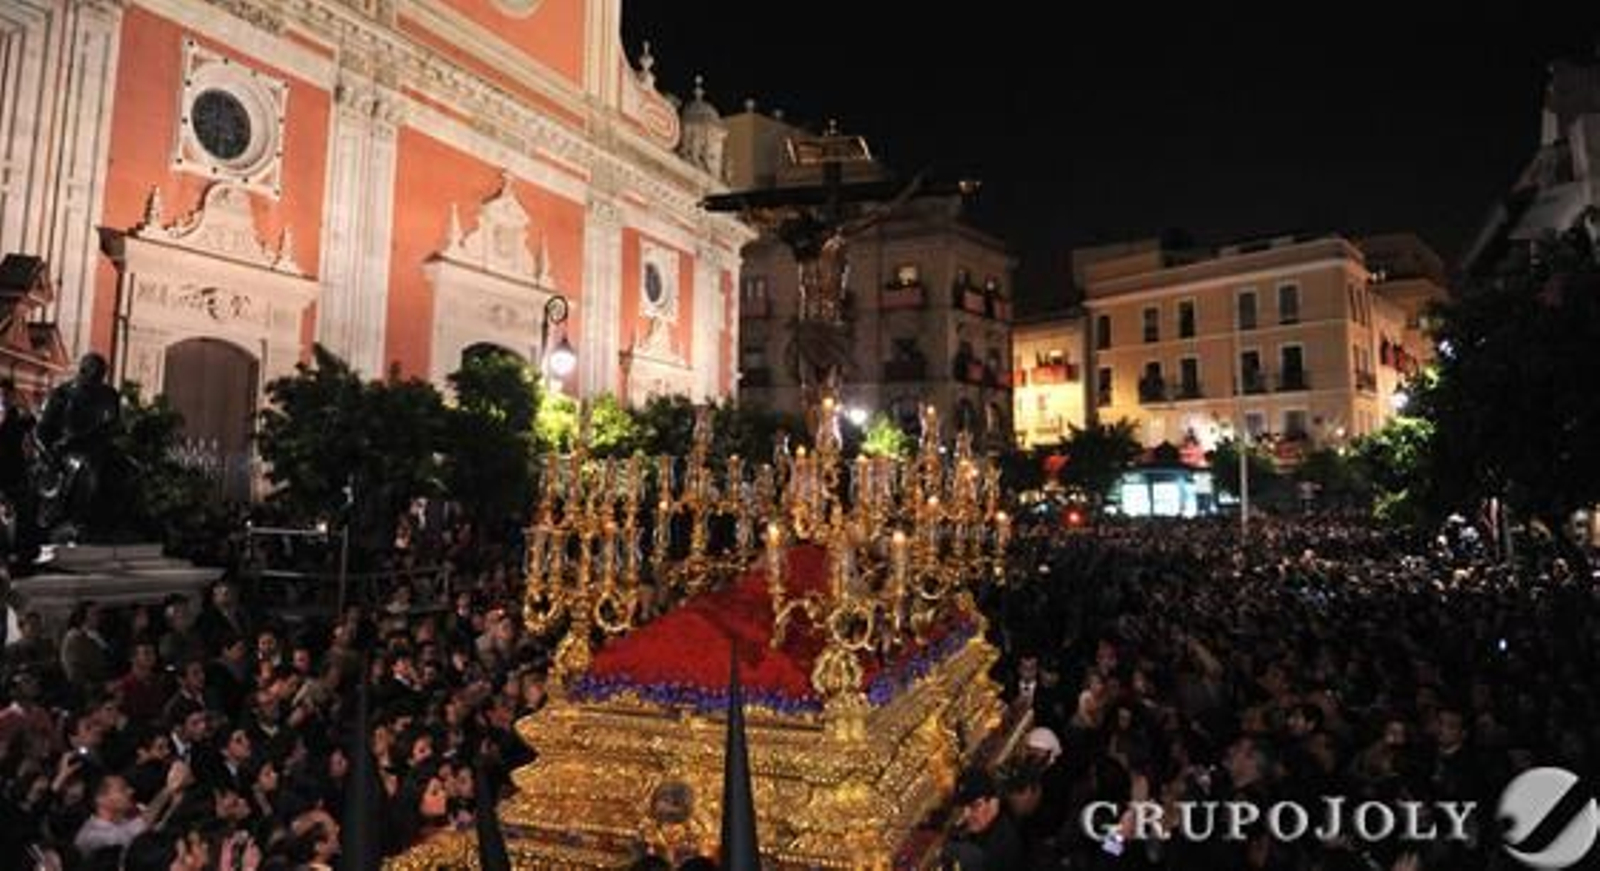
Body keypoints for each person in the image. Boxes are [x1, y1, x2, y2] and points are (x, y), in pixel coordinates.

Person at [35, 353, 121, 537]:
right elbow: (42, 429)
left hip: (99, 446)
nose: (99, 379)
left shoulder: (109, 395)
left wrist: (107, 433)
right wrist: (50, 454)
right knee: (87, 467)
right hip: (67, 450)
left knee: (128, 468)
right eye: (96, 374)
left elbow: (114, 424)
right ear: (83, 371)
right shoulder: (62, 394)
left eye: (102, 375)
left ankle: (115, 523)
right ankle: (77, 520)